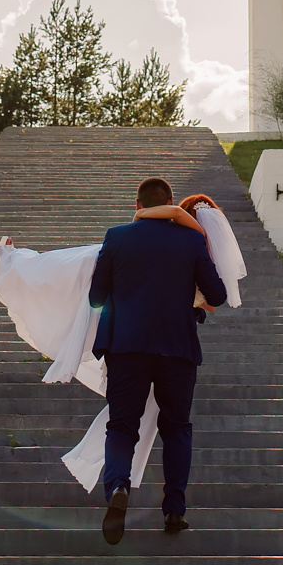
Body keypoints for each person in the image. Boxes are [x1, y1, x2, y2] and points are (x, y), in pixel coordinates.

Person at [88, 175, 228, 544]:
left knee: (121, 426)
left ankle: (118, 487)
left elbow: (96, 297)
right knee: (176, 427)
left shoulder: (116, 237)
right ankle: (174, 510)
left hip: (126, 349)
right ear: (170, 207)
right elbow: (217, 293)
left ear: (138, 206)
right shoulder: (191, 239)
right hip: (177, 349)